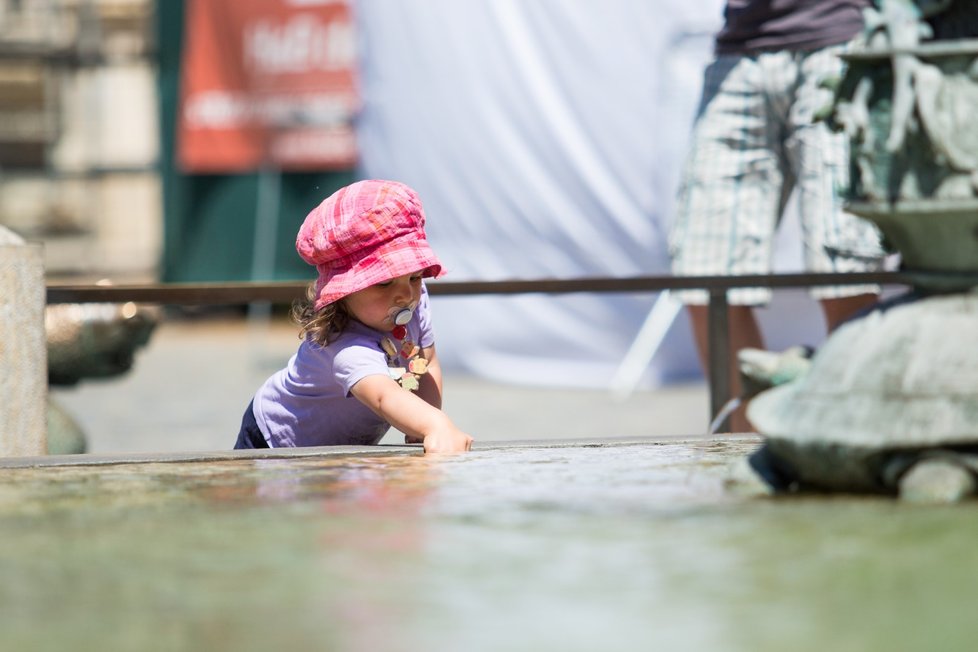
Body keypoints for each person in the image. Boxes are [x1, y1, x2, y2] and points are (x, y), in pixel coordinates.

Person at [668, 0, 887, 432]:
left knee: (845, 269)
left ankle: (855, 443)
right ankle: (747, 460)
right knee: (706, 280)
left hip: (841, 39)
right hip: (740, 49)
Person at [234, 179, 473, 454]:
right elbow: (384, 396)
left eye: (415, 276)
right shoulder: (345, 345)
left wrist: (419, 429)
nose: (405, 294)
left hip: (341, 444)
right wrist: (435, 425)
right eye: (383, 283)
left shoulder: (416, 300)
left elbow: (426, 363)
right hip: (275, 440)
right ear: (344, 293)